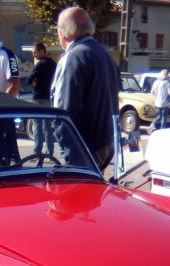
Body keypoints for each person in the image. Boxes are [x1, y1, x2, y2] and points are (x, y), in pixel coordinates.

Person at [51, 6, 120, 169]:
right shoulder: (104, 54)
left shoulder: (73, 57)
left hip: (83, 148)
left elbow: (64, 112)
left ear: (64, 31)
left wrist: (69, 153)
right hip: (105, 143)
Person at [27, 42, 57, 155]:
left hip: (38, 97)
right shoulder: (53, 64)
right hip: (49, 98)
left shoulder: (40, 64)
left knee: (37, 127)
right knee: (48, 127)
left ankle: (37, 152)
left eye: (35, 52)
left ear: (41, 51)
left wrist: (34, 82)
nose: (34, 55)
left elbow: (29, 79)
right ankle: (50, 152)